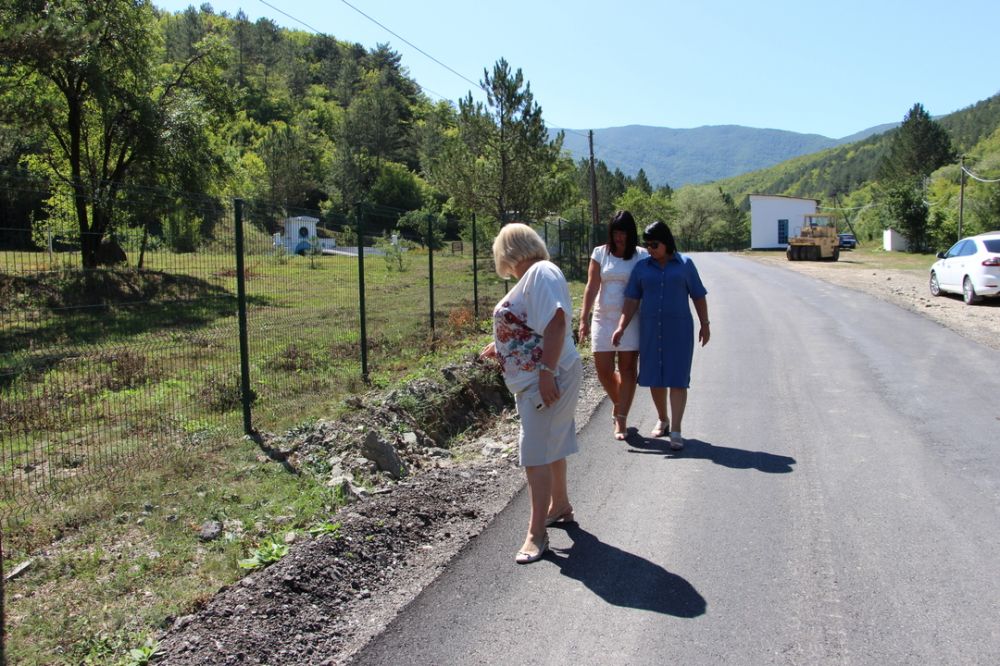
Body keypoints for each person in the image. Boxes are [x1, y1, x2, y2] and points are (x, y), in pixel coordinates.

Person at [480, 223, 583, 564]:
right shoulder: (537, 276)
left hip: (546, 378)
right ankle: (560, 506)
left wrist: (547, 373)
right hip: (541, 375)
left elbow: (556, 322)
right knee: (550, 443)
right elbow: (533, 325)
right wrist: (503, 345)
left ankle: (536, 533)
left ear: (508, 253)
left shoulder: (540, 272)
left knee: (534, 452)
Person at [612, 220, 710, 451]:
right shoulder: (642, 268)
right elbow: (632, 299)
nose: (650, 249)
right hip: (651, 331)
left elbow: (698, 295)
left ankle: (676, 430)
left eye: (655, 244)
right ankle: (662, 418)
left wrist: (705, 324)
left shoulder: (685, 265)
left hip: (678, 331)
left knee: (677, 378)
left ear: (666, 242)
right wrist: (621, 326)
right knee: (655, 377)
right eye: (647, 245)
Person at [578, 210, 648, 440]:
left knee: (628, 369)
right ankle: (621, 402)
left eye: (624, 232)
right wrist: (583, 318)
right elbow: (591, 286)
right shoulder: (600, 253)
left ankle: (621, 418)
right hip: (602, 317)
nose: (619, 237)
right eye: (616, 232)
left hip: (630, 319)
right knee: (603, 370)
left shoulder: (641, 255)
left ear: (631, 234)